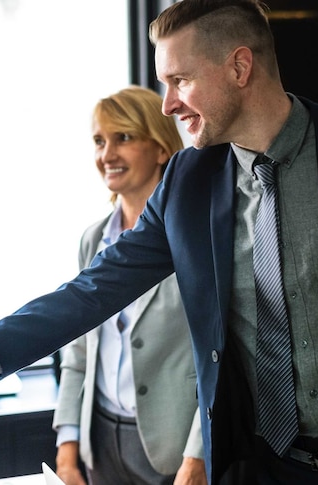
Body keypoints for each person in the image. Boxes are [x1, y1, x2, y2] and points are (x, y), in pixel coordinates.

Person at [0, 1, 318, 483]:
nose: (168, 104)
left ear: (239, 67)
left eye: (180, 80)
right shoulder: (189, 181)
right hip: (262, 468)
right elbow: (91, 291)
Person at [53, 86, 205, 485]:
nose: (107, 155)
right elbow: (79, 351)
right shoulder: (92, 239)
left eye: (124, 137)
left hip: (173, 449)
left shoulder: (194, 238)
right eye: (100, 141)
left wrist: (198, 455)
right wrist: (68, 448)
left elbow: (220, 358)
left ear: (160, 149)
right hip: (100, 442)